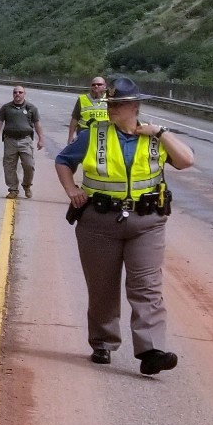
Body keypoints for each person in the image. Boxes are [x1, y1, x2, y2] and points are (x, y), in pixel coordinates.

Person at [53, 76, 197, 374]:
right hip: (99, 221)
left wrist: (161, 132)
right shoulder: (94, 134)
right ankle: (103, 343)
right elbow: (63, 161)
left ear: (134, 106)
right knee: (102, 286)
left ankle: (151, 351)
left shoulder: (155, 136)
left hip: (147, 222)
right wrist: (71, 190)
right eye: (110, 104)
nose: (111, 109)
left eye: (117, 105)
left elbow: (186, 161)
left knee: (147, 287)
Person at [0, 83, 44, 198]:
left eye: (20, 92)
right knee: (9, 166)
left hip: (26, 141)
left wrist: (41, 139)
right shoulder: (6, 108)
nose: (17, 94)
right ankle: (13, 189)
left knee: (29, 165)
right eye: (15, 92)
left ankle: (27, 185)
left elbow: (37, 124)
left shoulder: (31, 108)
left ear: (24, 94)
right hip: (10, 141)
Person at [67, 74, 110, 142]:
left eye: (99, 84)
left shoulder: (111, 99)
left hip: (105, 134)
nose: (96, 86)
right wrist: (70, 137)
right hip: (85, 134)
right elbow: (75, 119)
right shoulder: (82, 99)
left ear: (105, 86)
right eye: (93, 84)